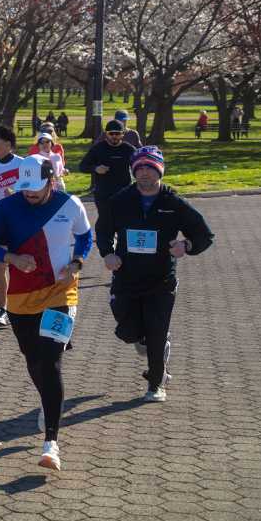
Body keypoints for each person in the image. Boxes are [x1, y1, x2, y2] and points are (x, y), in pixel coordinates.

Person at [0, 156, 92, 472]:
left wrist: (78, 262)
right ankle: (47, 401)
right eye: (25, 189)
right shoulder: (7, 207)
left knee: (51, 359)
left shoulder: (70, 204)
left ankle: (51, 443)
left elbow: (85, 236)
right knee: (34, 361)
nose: (29, 195)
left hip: (61, 292)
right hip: (21, 298)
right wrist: (11, 257)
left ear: (51, 181)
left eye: (36, 189)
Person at [96, 147, 214, 402]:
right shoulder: (119, 201)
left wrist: (187, 246)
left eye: (151, 168)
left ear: (160, 170)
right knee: (128, 331)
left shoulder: (173, 203)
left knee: (156, 330)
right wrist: (107, 253)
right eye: (139, 169)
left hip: (161, 279)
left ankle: (156, 383)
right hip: (126, 277)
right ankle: (146, 341)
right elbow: (103, 230)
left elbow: (204, 235)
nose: (145, 174)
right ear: (133, 171)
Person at [0, 126, 26, 327]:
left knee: (26, 265)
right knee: (0, 266)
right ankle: (3, 309)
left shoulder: (24, 164)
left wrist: (17, 192)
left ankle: (29, 306)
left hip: (23, 220)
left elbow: (34, 187)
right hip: (1, 221)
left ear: (8, 145)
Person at [79, 119, 138, 210]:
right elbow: (82, 166)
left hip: (124, 192)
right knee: (105, 222)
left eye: (117, 133)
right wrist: (95, 168)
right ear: (106, 134)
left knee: (123, 220)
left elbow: (140, 166)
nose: (114, 136)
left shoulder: (129, 149)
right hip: (103, 193)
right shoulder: (98, 149)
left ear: (123, 134)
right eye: (111, 133)